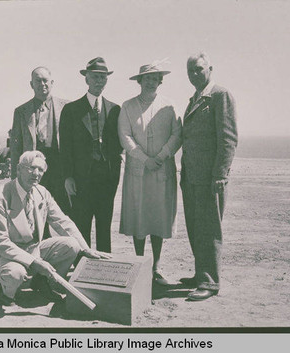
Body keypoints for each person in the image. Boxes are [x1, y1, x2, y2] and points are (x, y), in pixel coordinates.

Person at [0, 150, 109, 305]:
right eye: (31, 168)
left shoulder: (42, 193)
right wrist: (34, 262)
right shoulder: (0, 197)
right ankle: (6, 291)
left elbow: (63, 222)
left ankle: (41, 283)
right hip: (6, 254)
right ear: (18, 169)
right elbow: (0, 242)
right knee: (15, 274)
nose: (36, 173)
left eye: (41, 170)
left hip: (34, 249)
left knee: (72, 245)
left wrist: (85, 249)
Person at [117, 60, 182, 286]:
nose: (152, 82)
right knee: (139, 216)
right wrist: (145, 159)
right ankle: (139, 264)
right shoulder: (127, 106)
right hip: (138, 169)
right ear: (140, 81)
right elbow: (125, 136)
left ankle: (156, 267)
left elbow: (177, 134)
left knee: (158, 217)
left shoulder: (169, 106)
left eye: (155, 78)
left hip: (162, 169)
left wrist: (161, 157)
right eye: (148, 78)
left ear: (160, 81)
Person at [180, 52, 238, 301]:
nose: (194, 74)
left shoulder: (219, 96)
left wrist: (220, 174)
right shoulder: (195, 98)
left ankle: (210, 282)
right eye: (190, 70)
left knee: (209, 229)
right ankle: (200, 273)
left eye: (199, 69)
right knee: (195, 227)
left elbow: (228, 138)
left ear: (210, 69)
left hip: (210, 178)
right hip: (191, 177)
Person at [59, 57, 122, 253]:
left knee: (104, 226)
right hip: (81, 178)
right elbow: (65, 147)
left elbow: (118, 145)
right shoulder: (71, 110)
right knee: (81, 225)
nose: (99, 81)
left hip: (107, 179)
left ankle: (103, 269)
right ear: (86, 79)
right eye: (95, 77)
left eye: (103, 77)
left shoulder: (115, 110)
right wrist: (68, 176)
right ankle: (81, 268)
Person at [10, 67, 70, 214]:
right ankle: (42, 237)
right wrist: (15, 177)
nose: (42, 84)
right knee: (36, 211)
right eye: (38, 80)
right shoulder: (21, 112)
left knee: (65, 211)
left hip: (60, 168)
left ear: (52, 82)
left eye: (45, 80)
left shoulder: (68, 107)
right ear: (31, 84)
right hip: (34, 169)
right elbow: (15, 147)